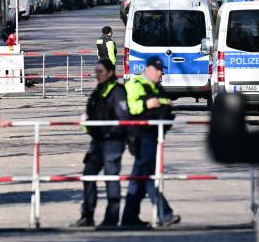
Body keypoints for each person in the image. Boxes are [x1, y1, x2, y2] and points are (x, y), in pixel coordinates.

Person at [120, 56, 181, 227]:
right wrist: (147, 104)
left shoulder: (157, 87)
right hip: (140, 136)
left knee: (138, 179)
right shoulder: (135, 84)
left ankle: (128, 219)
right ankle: (165, 214)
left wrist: (158, 102)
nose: (159, 74)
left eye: (161, 71)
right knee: (148, 176)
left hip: (154, 136)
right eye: (157, 70)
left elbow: (167, 105)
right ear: (148, 69)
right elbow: (131, 107)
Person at [71, 59, 129, 228]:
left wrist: (109, 131)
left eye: (100, 71)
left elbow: (124, 118)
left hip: (112, 142)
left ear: (110, 72)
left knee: (111, 179)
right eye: (96, 72)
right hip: (97, 142)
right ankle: (87, 215)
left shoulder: (117, 91)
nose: (97, 75)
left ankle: (111, 219)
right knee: (88, 175)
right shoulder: (99, 90)